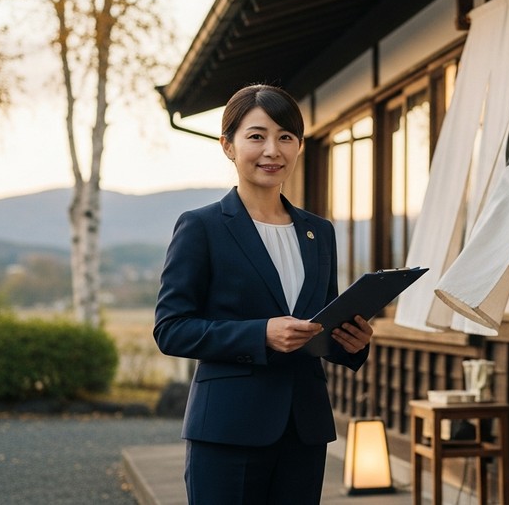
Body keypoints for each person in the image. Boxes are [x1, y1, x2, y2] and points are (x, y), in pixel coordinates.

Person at [154, 83, 373, 504]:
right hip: (227, 430)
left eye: (285, 137)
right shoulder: (202, 226)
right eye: (256, 136)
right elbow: (171, 329)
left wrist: (352, 344)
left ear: (298, 146)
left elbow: (321, 320)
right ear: (228, 146)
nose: (272, 149)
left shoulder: (318, 232)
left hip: (304, 431)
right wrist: (261, 334)